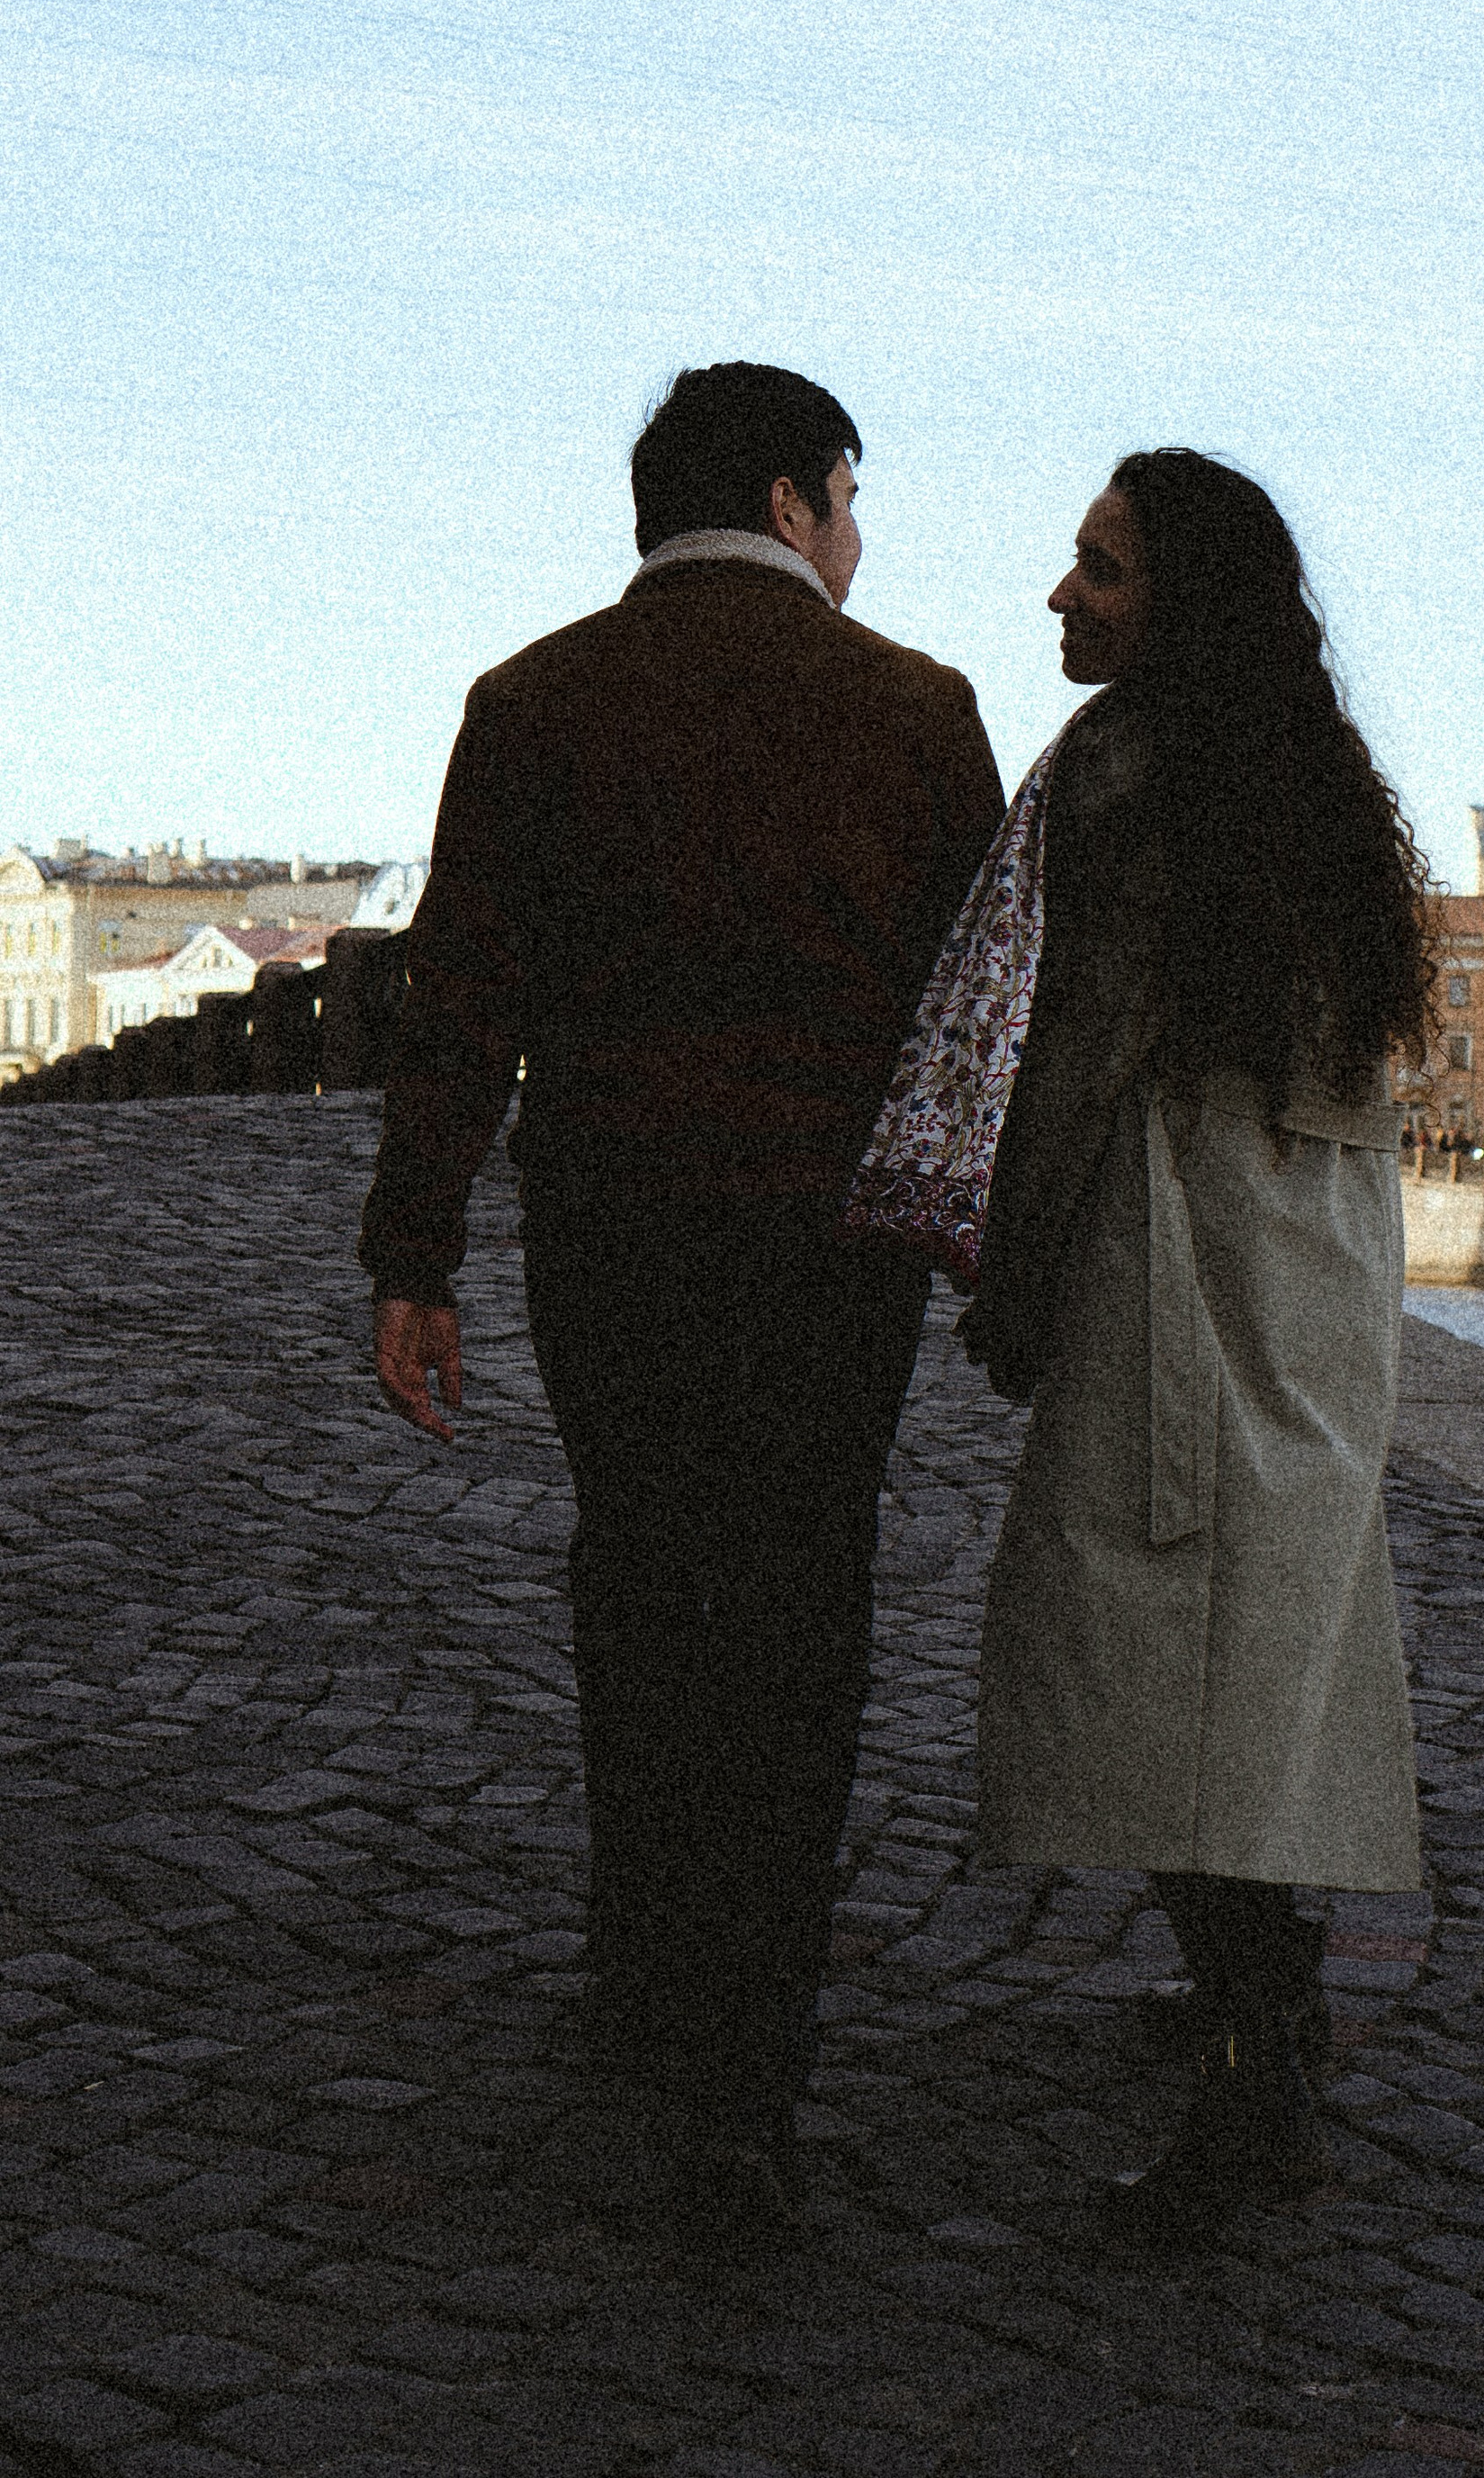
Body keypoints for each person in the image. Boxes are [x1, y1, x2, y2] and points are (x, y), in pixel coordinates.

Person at [357, 364, 1003, 2230]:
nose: (859, 543)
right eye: (853, 505)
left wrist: (415, 1255)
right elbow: (977, 1019)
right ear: (805, 499)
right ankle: (750, 2072)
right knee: (797, 1606)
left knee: (637, 1563)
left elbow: (458, 998)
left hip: (614, 1225)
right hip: (828, 1248)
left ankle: (643, 1962)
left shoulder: (532, 699)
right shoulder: (913, 710)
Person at [853, 451, 1427, 2241]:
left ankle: (1260, 2092)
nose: (1059, 596)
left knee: (1148, 1645)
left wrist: (1007, 1280)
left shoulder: (1127, 772)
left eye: (1097, 570)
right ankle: (1269, 2000)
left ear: (1179, 603)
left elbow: (1078, 1045)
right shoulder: (1312, 780)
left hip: (1176, 1257)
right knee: (1269, 1646)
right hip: (1312, 1271)